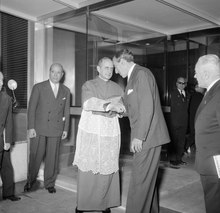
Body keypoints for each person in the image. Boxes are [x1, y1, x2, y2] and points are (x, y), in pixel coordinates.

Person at [113, 49, 170, 213]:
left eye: (116, 66)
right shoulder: (133, 77)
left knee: (140, 181)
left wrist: (139, 137)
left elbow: (147, 108)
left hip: (147, 137)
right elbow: (132, 106)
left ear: (123, 61)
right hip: (149, 136)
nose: (116, 71)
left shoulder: (141, 74)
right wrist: (117, 110)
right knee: (147, 180)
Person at [73, 57, 125, 213]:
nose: (109, 71)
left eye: (111, 68)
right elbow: (88, 103)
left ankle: (105, 203)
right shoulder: (89, 84)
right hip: (93, 129)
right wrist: (110, 104)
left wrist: (119, 108)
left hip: (110, 130)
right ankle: (83, 204)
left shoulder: (118, 86)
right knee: (89, 166)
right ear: (98, 68)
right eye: (105, 68)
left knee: (107, 165)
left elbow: (123, 106)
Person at [24, 63, 70, 194]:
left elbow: (66, 112)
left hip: (56, 129)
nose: (55, 75)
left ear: (62, 74)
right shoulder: (39, 87)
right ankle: (30, 181)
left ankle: (49, 183)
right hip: (39, 128)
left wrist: (65, 129)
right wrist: (31, 127)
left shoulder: (66, 90)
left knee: (52, 158)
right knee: (35, 157)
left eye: (58, 72)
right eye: (53, 72)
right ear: (49, 72)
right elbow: (31, 109)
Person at [194, 54, 220, 213]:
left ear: (205, 74)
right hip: (210, 162)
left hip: (215, 164)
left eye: (196, 72)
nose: (194, 76)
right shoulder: (212, 91)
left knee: (215, 205)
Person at [0, 72, 21, 201]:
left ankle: (8, 193)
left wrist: (8, 140)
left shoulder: (6, 98)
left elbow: (9, 121)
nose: (2, 83)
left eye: (2, 80)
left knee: (6, 166)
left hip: (2, 140)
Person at [169, 76, 189, 167]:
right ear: (176, 83)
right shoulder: (173, 94)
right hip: (175, 121)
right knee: (174, 141)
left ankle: (179, 159)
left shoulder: (188, 94)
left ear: (186, 85)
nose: (181, 85)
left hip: (184, 122)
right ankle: (173, 160)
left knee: (181, 141)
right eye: (180, 83)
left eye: (183, 83)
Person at [185, 84, 205, 153]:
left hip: (192, 118)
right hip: (197, 120)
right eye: (202, 88)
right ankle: (186, 147)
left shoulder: (193, 96)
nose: (203, 89)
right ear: (198, 88)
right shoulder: (200, 96)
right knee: (195, 135)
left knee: (193, 134)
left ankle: (187, 147)